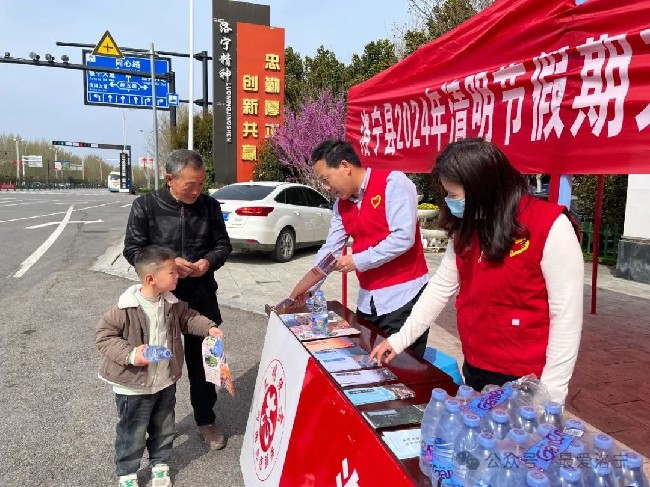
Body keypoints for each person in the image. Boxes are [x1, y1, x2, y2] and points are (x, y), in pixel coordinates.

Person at [370, 138, 584, 403]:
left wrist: (551, 396)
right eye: (446, 194)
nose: (450, 202)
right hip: (477, 364)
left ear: (483, 189)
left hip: (526, 378)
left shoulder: (549, 226)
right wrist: (399, 340)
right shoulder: (468, 225)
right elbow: (440, 287)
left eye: (454, 195)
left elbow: (566, 316)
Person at [123, 149, 232, 449]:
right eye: (190, 185)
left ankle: (206, 418)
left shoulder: (209, 206)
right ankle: (150, 427)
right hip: (159, 298)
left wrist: (207, 263)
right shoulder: (145, 206)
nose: (197, 191)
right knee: (156, 361)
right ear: (169, 179)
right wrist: (169, 263)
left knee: (205, 363)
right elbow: (133, 249)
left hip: (200, 295)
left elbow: (223, 245)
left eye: (201, 183)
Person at [96, 245, 225, 487]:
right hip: (133, 387)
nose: (178, 276)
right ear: (150, 278)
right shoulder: (125, 307)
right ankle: (127, 473)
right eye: (172, 273)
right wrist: (132, 354)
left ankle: (160, 464)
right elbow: (104, 336)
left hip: (165, 381)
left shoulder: (172, 303)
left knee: (164, 428)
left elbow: (189, 318)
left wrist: (209, 327)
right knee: (132, 433)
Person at [302, 139, 430, 357]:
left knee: (403, 370)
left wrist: (357, 260)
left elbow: (403, 237)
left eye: (326, 179)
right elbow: (330, 249)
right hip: (369, 301)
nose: (326, 187)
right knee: (368, 364)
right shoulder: (341, 204)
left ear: (345, 166)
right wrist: (307, 288)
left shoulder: (393, 183)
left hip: (404, 298)